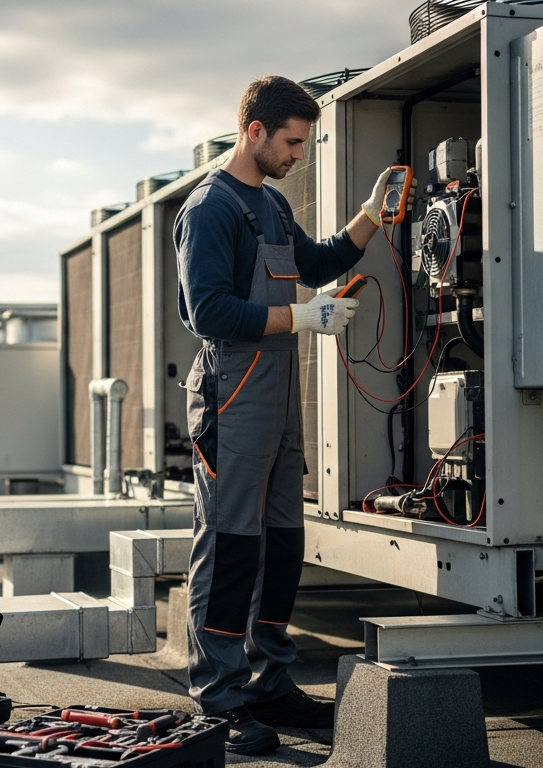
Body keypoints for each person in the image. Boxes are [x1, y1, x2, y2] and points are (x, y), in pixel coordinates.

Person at [174, 75, 394, 755]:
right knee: (232, 544)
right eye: (293, 142)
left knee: (281, 544)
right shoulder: (210, 208)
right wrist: (300, 315)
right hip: (231, 393)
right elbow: (207, 311)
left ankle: (270, 681)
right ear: (255, 132)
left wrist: (369, 216)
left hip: (275, 393)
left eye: (305, 142)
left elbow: (317, 260)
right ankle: (219, 699)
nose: (300, 154)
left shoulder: (267, 205)